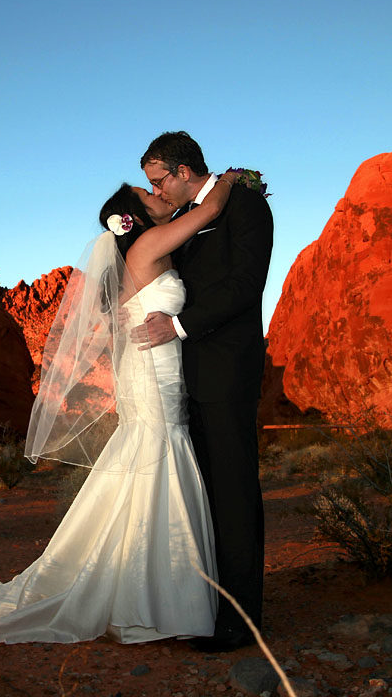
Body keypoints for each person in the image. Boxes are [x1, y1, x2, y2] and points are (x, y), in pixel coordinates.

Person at [0, 171, 239, 644]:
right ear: (134, 218)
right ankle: (153, 599)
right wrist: (231, 177)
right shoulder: (150, 244)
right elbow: (213, 209)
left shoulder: (142, 251)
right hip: (152, 372)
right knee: (157, 453)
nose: (158, 195)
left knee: (149, 456)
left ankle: (143, 590)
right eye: (147, 193)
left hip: (151, 369)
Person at [134, 131, 273, 652]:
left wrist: (180, 327)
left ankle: (242, 623)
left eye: (159, 181)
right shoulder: (187, 216)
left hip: (227, 371)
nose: (158, 191)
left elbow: (245, 285)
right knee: (207, 496)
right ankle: (210, 605)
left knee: (234, 495)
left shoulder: (245, 203)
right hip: (185, 378)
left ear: (184, 170)